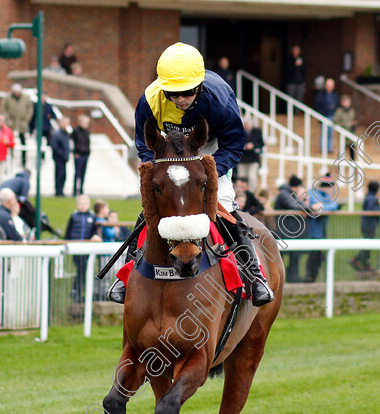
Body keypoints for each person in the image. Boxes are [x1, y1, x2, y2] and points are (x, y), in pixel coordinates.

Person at [116, 42, 272, 306]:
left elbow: (234, 144)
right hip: (168, 150)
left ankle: (255, 276)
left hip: (210, 147)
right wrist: (155, 170)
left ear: (198, 86)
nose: (180, 99)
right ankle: (126, 275)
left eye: (187, 93)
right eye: (173, 94)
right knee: (150, 208)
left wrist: (209, 172)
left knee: (225, 206)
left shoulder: (219, 97)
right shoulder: (150, 99)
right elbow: (143, 143)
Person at [273, 175, 308, 283]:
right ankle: (279, 279)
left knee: (294, 255)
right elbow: (294, 205)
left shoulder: (287, 193)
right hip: (283, 230)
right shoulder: (284, 194)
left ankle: (293, 277)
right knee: (281, 257)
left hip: (290, 231)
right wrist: (311, 208)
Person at [65, 195, 101, 301]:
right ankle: (77, 290)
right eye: (81, 203)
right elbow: (68, 230)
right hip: (76, 247)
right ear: (77, 205)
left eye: (85, 203)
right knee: (80, 268)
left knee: (83, 269)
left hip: (87, 247)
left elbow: (95, 230)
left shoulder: (92, 216)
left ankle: (78, 290)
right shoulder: (74, 216)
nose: (83, 206)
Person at [304, 176, 338, 282]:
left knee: (318, 256)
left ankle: (313, 277)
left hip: (320, 233)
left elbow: (333, 205)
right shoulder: (312, 193)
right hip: (311, 231)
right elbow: (315, 205)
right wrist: (321, 207)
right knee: (312, 256)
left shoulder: (325, 196)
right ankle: (309, 277)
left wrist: (322, 207)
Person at [350, 180, 380, 271]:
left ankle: (364, 263)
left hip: (367, 225)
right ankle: (357, 260)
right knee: (368, 245)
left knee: (368, 245)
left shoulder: (369, 197)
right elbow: (372, 210)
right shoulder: (372, 198)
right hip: (369, 226)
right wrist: (379, 203)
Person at [0, 83, 34, 167]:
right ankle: (10, 158)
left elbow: (30, 109)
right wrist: (8, 119)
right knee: (10, 141)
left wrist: (26, 119)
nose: (17, 93)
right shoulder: (8, 98)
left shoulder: (25, 98)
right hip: (12, 123)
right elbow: (3, 109)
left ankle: (23, 160)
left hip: (21, 123)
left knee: (23, 141)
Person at [238, 116, 264, 191]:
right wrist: (245, 146)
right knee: (241, 176)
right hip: (243, 158)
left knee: (252, 176)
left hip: (253, 158)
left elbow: (261, 144)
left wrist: (253, 145)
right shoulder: (241, 131)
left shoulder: (257, 131)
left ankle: (252, 192)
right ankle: (241, 192)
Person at [314, 78, 338, 153]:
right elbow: (317, 105)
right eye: (328, 85)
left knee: (330, 133)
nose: (330, 87)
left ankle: (329, 149)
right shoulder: (321, 95)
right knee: (323, 133)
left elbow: (338, 104)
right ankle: (322, 148)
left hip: (332, 115)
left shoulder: (335, 95)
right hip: (324, 115)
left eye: (331, 85)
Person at [50, 116, 71, 197]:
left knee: (63, 175)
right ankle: (58, 191)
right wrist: (62, 153)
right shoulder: (56, 134)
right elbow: (54, 146)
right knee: (59, 174)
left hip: (64, 158)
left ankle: (61, 191)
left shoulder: (66, 134)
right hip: (59, 158)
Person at [71, 114, 91, 196]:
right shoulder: (75, 131)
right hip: (78, 155)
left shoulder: (87, 132)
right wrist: (75, 152)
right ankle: (75, 190)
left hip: (85, 154)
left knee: (83, 173)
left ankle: (81, 189)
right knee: (77, 173)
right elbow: (72, 143)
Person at [332, 95, 357, 160]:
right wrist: (347, 125)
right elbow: (336, 122)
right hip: (343, 136)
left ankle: (353, 168)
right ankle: (339, 167)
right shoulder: (339, 111)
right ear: (342, 103)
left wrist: (353, 124)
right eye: (345, 102)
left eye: (348, 102)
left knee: (352, 154)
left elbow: (354, 120)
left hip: (351, 136)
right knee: (341, 153)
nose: (347, 103)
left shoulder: (352, 111)